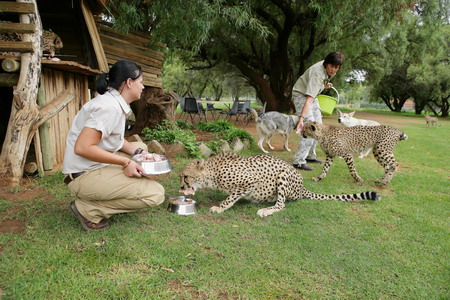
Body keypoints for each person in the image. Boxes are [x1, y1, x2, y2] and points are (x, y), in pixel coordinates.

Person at [62, 60, 165, 230]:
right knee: (155, 193)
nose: (143, 87)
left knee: (142, 149)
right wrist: (126, 162)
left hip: (91, 167)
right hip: (84, 175)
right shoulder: (109, 108)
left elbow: (113, 139)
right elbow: (83, 147)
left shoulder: (113, 103)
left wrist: (138, 152)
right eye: (140, 82)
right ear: (129, 83)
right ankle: (88, 209)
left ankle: (104, 194)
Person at [291, 52, 344, 170]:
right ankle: (298, 161)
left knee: (319, 126)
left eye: (336, 67)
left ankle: (310, 155)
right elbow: (308, 99)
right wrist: (301, 119)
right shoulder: (317, 73)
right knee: (310, 127)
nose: (333, 70)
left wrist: (324, 86)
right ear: (326, 64)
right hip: (301, 95)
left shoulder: (329, 70)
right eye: (331, 66)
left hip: (312, 96)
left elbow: (315, 88)